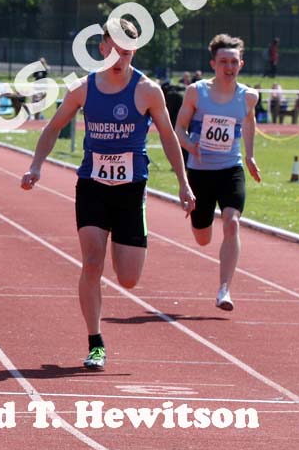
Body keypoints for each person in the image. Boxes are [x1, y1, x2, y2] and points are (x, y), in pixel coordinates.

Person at [21, 19, 195, 370]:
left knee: (128, 278)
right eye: (114, 50)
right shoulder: (84, 88)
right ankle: (95, 341)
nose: (120, 58)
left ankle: (128, 242)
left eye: (128, 52)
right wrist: (36, 166)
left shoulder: (147, 90)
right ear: (102, 48)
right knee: (91, 261)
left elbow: (167, 137)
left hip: (131, 191)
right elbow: (54, 127)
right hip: (92, 186)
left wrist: (183, 182)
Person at [175, 34, 261, 311]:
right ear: (213, 63)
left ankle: (224, 289)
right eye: (223, 61)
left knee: (232, 222)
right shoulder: (196, 92)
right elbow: (179, 129)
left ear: (241, 64)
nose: (229, 66)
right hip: (200, 170)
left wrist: (249, 155)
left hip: (230, 169)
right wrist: (190, 145)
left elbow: (248, 123)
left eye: (234, 61)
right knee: (203, 237)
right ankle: (199, 222)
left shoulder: (248, 96)